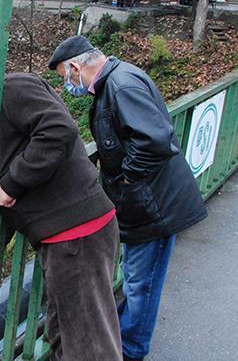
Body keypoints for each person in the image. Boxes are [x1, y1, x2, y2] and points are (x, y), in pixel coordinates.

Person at [0, 58, 122, 361]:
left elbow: (58, 130)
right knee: (64, 335)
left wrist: (12, 183)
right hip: (71, 238)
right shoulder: (4, 118)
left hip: (76, 237)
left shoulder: (7, 87)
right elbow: (2, 186)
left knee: (89, 346)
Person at [49, 36, 208, 361]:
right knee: (138, 281)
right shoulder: (117, 81)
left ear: (76, 67)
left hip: (154, 207)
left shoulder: (120, 87)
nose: (66, 83)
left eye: (64, 75)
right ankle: (126, 343)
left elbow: (155, 141)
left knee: (141, 286)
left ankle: (131, 350)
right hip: (147, 205)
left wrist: (126, 179)